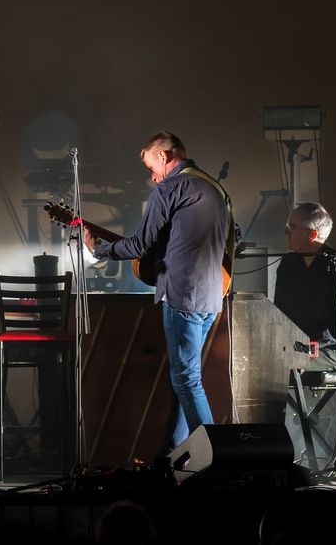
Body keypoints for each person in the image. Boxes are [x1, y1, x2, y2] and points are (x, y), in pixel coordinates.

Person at [83, 131, 232, 450]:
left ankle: (216, 454)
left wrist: (99, 250)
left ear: (164, 156)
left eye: (151, 168)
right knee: (182, 378)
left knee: (187, 380)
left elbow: (140, 244)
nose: (152, 178)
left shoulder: (171, 187)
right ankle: (173, 453)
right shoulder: (214, 188)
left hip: (182, 294)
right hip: (211, 296)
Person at [274, 202, 336, 371]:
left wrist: (310, 345)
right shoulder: (288, 263)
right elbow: (279, 313)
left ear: (312, 234)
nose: (285, 232)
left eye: (292, 227)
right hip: (292, 347)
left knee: (283, 365)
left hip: (329, 351)